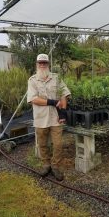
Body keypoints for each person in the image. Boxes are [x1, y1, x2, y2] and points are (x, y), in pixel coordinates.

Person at [27, 53, 71, 181]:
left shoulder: (56, 78)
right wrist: (52, 102)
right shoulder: (32, 80)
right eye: (40, 63)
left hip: (55, 118)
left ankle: (55, 166)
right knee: (42, 144)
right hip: (41, 118)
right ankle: (46, 164)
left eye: (44, 63)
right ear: (37, 64)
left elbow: (64, 93)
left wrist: (62, 112)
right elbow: (33, 99)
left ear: (48, 64)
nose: (42, 65)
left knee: (58, 144)